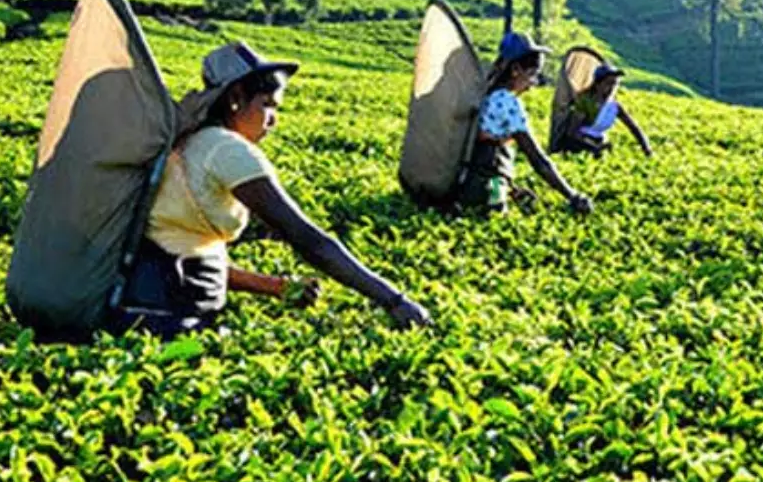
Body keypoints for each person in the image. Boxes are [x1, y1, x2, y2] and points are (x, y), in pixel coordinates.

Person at [110, 42, 432, 337]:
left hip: (137, 310)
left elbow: (184, 254)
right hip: (177, 320)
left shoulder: (184, 141)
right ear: (236, 99)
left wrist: (274, 287)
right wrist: (394, 300)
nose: (273, 120)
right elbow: (308, 240)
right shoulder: (226, 150)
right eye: (267, 105)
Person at [458, 31, 594, 215]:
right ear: (515, 70)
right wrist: (572, 195)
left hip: (461, 184)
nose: (533, 83)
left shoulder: (484, 93)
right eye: (532, 74)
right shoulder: (508, 103)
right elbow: (538, 160)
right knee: (498, 217)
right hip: (488, 189)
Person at [562, 64, 653, 158]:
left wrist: (646, 148)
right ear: (598, 84)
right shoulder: (586, 101)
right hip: (580, 144)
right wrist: (593, 147)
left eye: (615, 84)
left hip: (599, 141)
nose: (612, 88)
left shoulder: (614, 106)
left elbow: (634, 128)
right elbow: (572, 133)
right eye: (608, 83)